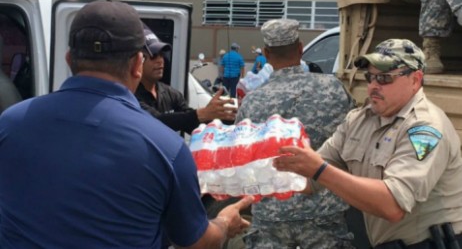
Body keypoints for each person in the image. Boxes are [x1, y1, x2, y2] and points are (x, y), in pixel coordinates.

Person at [0, 0, 252, 249]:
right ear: (136, 66)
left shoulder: (10, 123)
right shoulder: (166, 148)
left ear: (68, 58)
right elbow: (196, 243)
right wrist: (223, 223)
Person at [274, 38, 462, 248]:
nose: (373, 86)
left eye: (384, 78)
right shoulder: (359, 120)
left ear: (415, 80)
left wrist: (319, 170)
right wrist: (263, 169)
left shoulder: (425, 128)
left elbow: (393, 205)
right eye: (370, 77)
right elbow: (310, 180)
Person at [235, 19, 356, 249]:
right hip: (323, 212)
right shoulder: (333, 89)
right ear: (300, 49)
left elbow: (243, 159)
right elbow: (353, 135)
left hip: (271, 216)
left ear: (267, 55)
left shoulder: (251, 102)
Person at [136, 25, 237, 135]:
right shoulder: (131, 96)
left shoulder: (171, 93)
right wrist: (203, 113)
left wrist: (221, 119)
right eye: (153, 56)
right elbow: (156, 121)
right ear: (138, 60)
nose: (160, 61)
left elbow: (191, 123)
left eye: (161, 55)